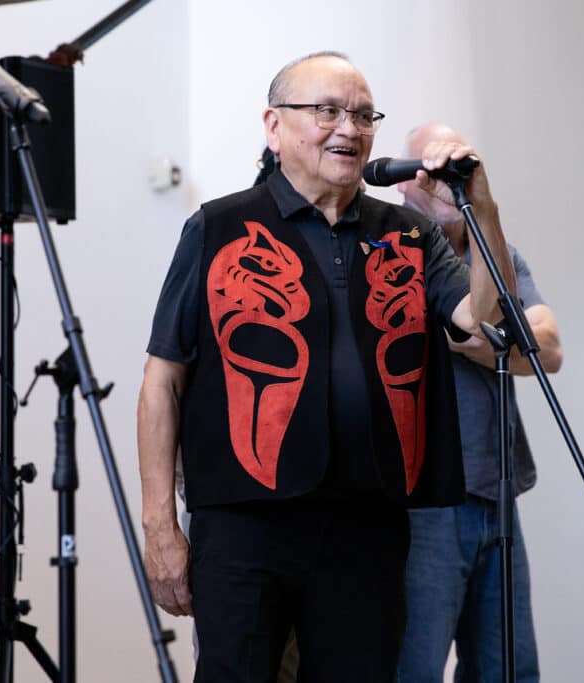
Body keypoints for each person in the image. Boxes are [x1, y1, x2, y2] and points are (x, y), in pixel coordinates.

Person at [137, 52, 516, 682]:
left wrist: (485, 211)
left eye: (364, 115)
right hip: (242, 524)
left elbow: (483, 322)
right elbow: (162, 382)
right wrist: (159, 527)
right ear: (274, 125)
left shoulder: (408, 234)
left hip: (368, 524)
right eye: (327, 111)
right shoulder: (219, 226)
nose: (348, 128)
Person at [395, 123, 563, 683]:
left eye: (453, 170)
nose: (443, 183)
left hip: (497, 492)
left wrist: (493, 332)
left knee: (509, 670)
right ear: (402, 181)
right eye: (430, 170)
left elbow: (551, 347)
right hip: (424, 505)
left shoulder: (499, 253)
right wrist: (498, 330)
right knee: (414, 668)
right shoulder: (395, 248)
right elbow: (472, 332)